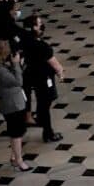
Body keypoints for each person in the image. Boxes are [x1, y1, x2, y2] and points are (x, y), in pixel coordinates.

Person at [0, 39, 31, 172]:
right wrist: (17, 64)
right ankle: (19, 160)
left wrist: (16, 65)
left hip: (14, 103)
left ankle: (14, 156)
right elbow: (18, 81)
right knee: (16, 133)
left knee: (18, 131)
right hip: (12, 106)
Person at [20, 15, 64, 143]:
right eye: (40, 24)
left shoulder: (25, 40)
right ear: (34, 27)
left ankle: (41, 119)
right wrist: (60, 72)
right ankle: (48, 133)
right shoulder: (42, 46)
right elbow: (55, 64)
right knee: (45, 104)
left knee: (42, 103)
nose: (42, 25)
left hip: (31, 75)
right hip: (43, 78)